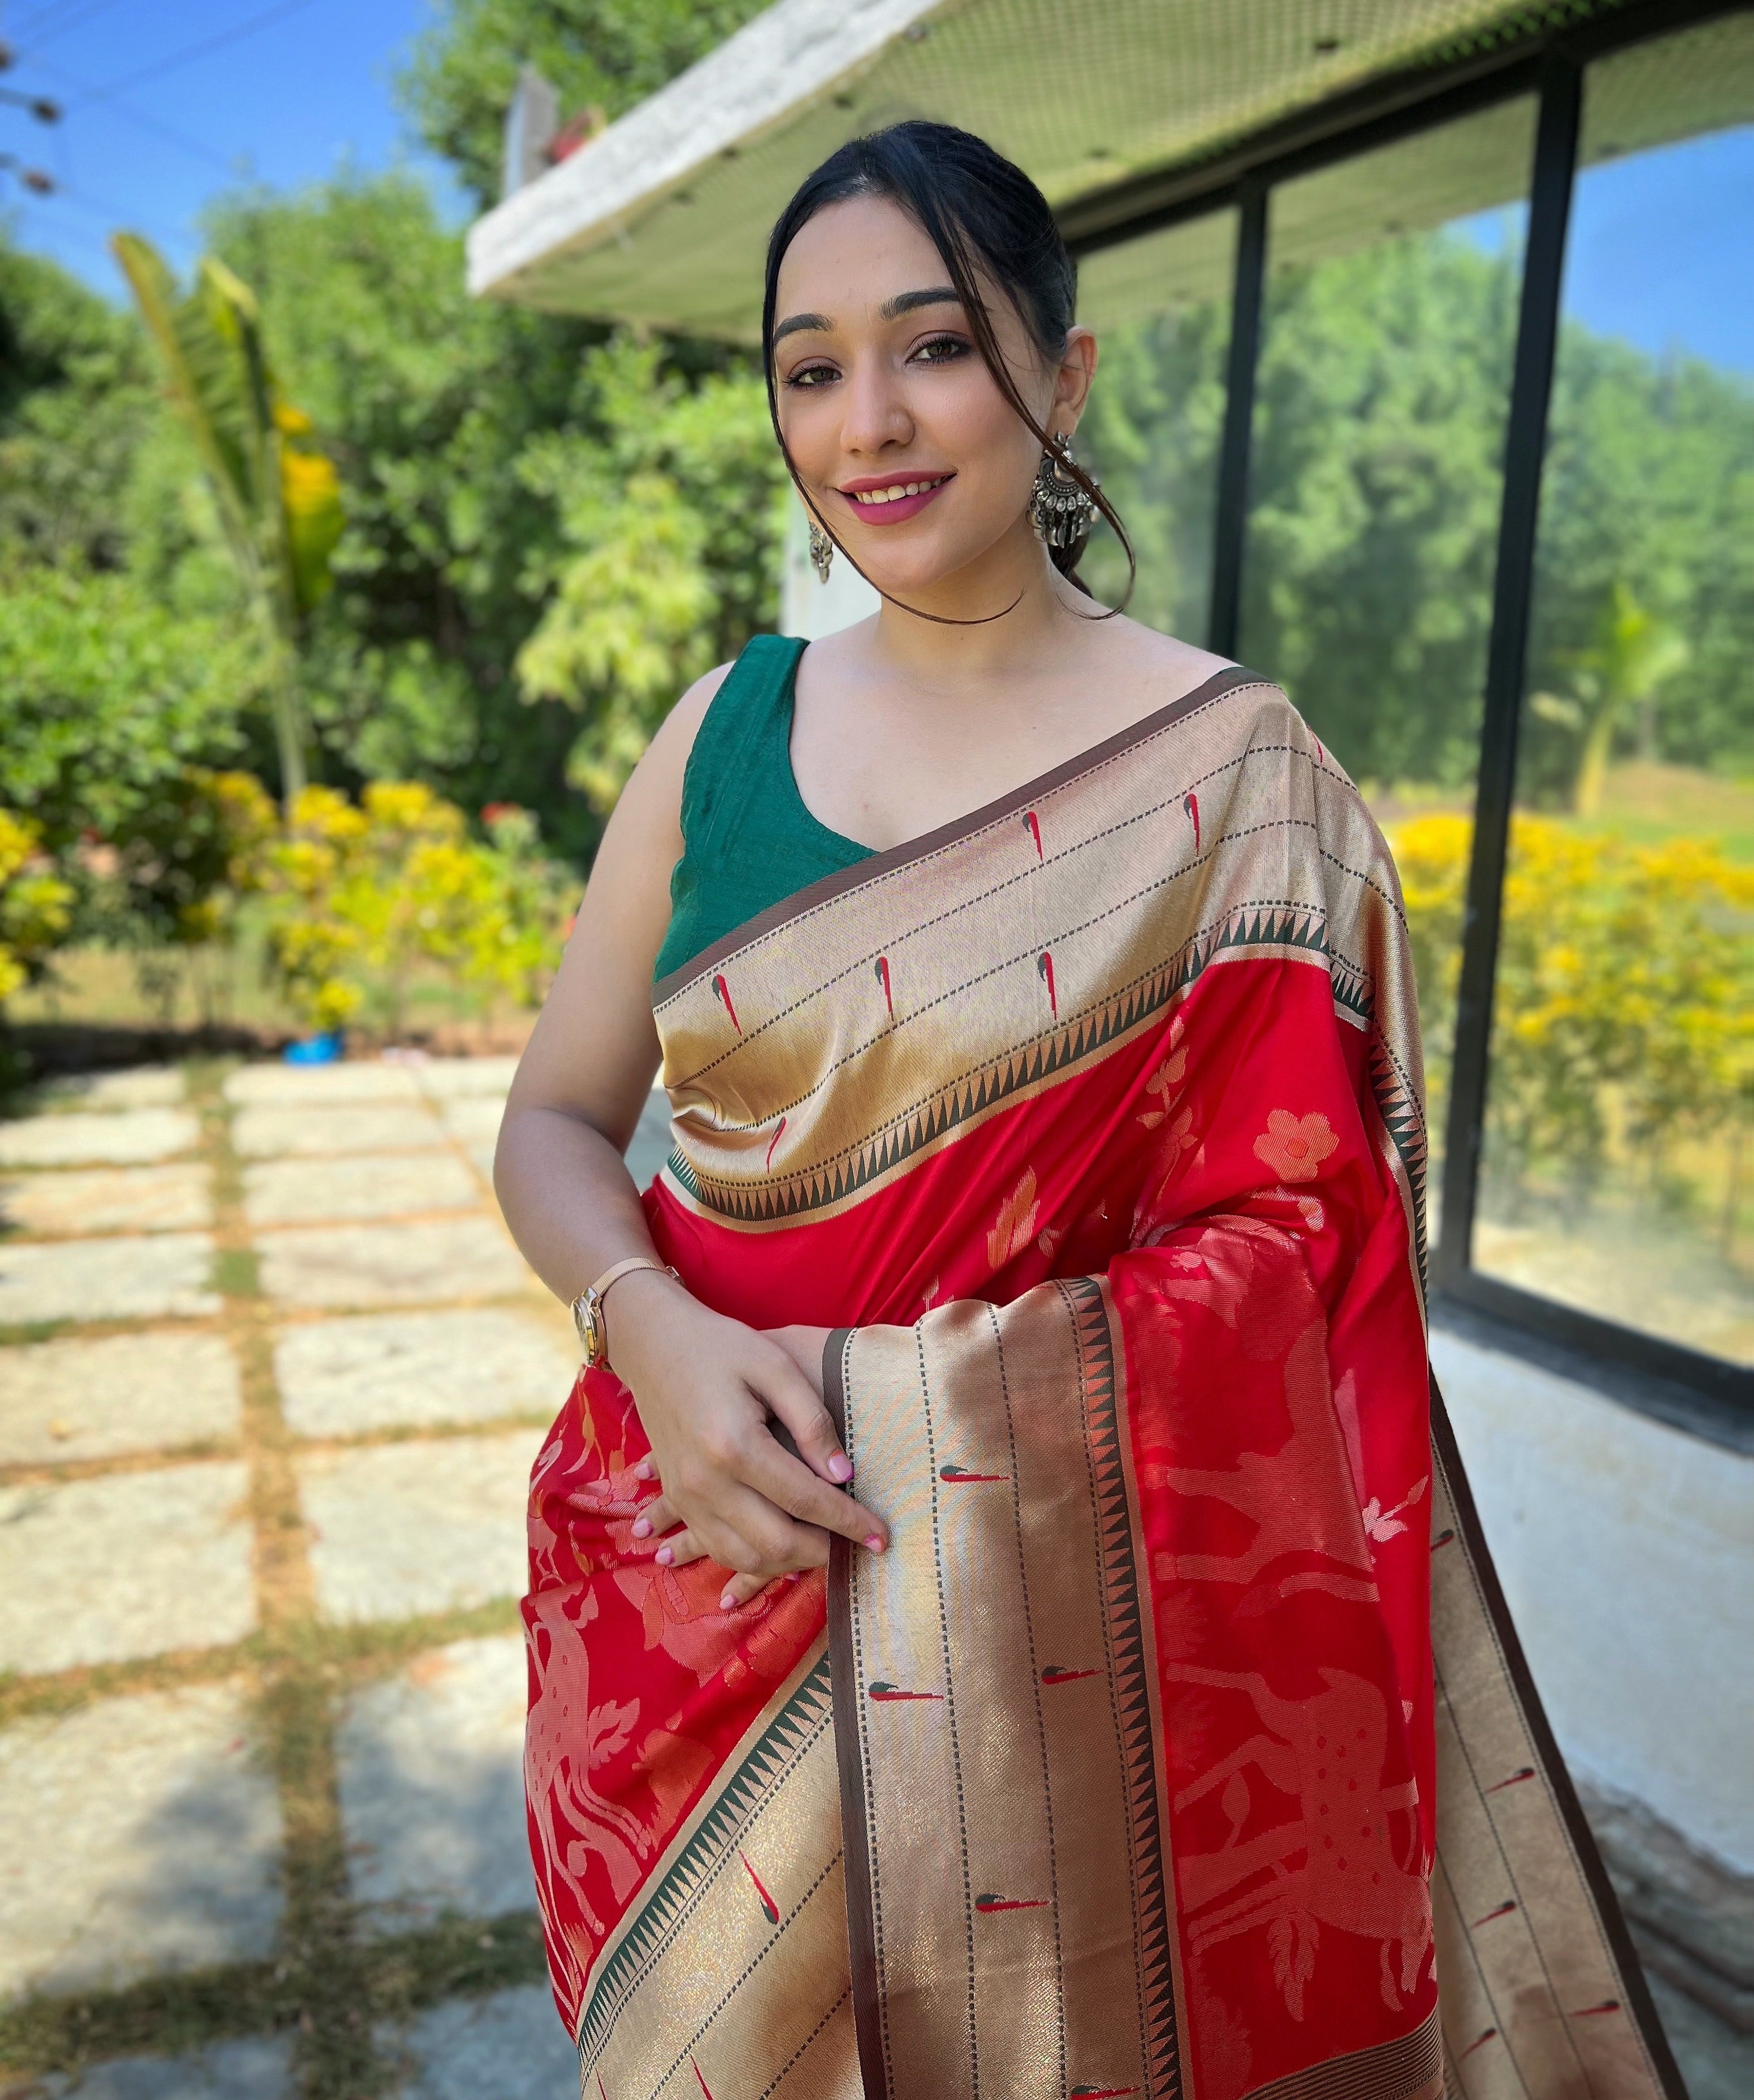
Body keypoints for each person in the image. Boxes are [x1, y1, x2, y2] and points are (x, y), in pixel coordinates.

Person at [495, 122, 1677, 2100]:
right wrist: (658, 1335)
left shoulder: (1234, 780)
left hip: (1062, 1674)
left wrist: (937, 1417)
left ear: (1062, 371)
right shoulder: (720, 735)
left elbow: (1312, 1259)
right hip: (698, 1583)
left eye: (932, 345)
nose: (867, 419)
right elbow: (553, 1123)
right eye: (809, 367)